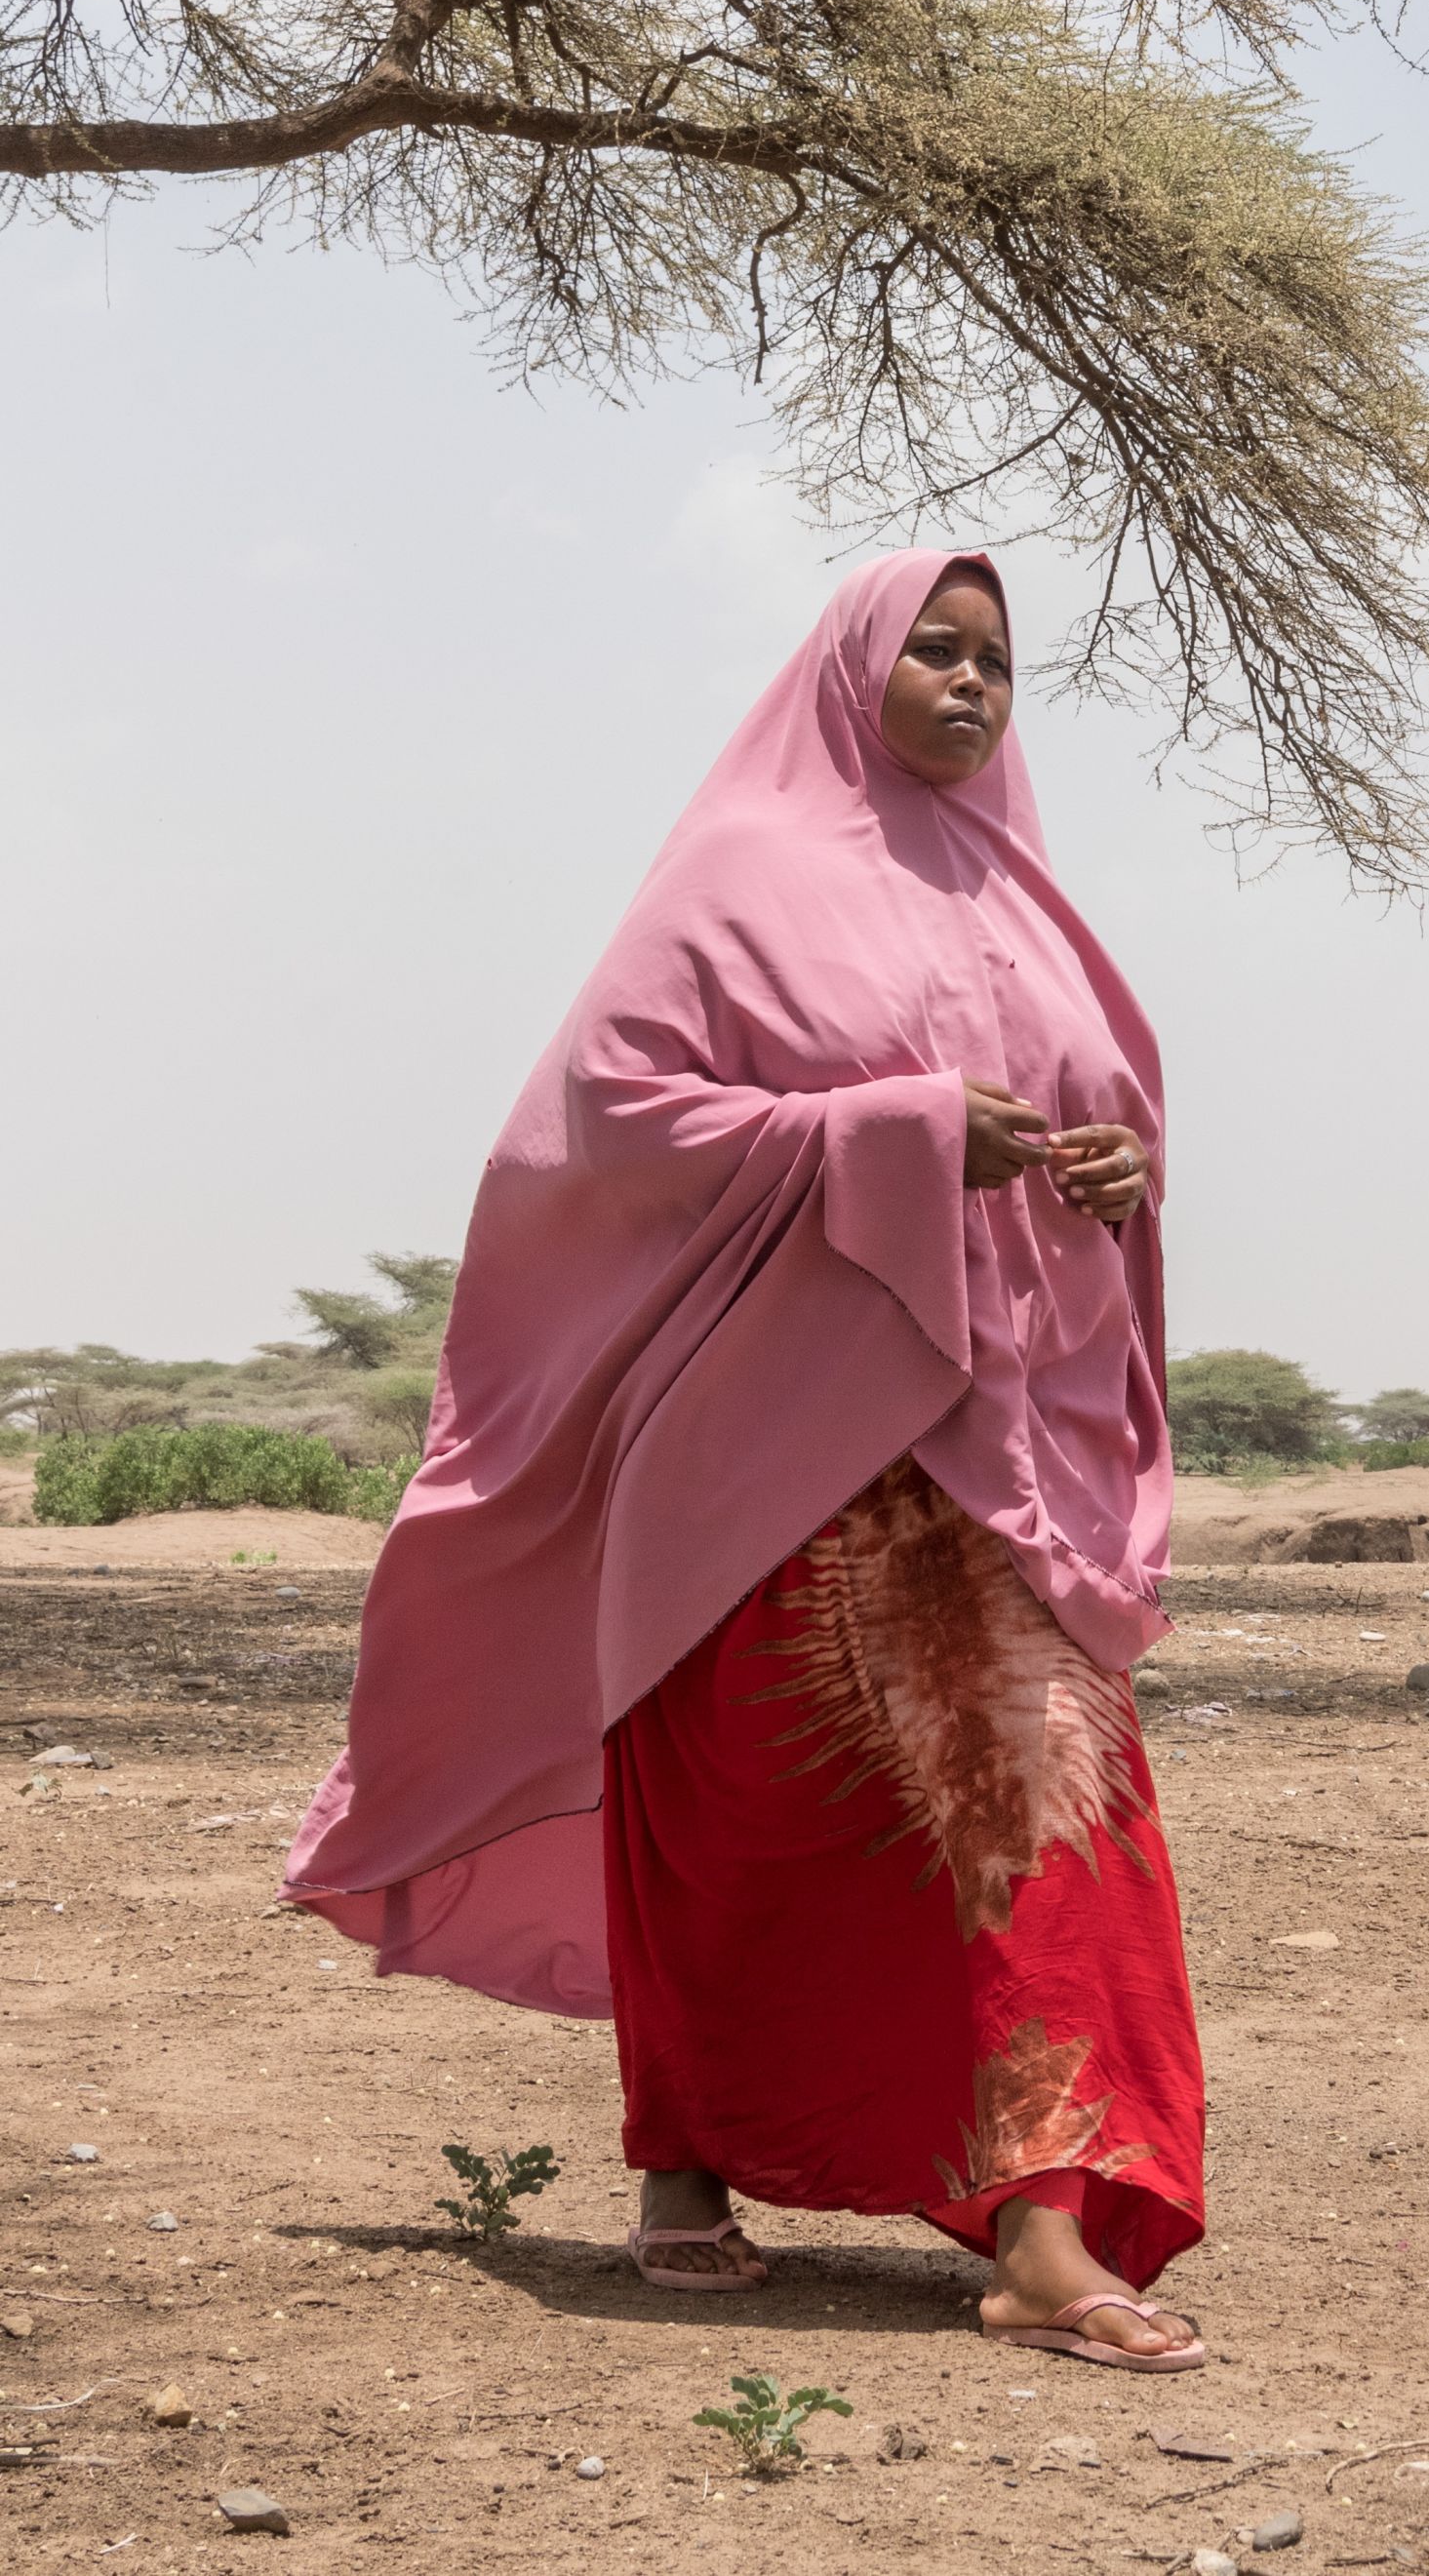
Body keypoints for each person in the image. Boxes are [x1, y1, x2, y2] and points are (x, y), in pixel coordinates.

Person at [286, 552, 1210, 2368]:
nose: (966, 684)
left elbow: (1094, 1117)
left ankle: (1040, 2216)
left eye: (996, 662)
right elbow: (608, 1127)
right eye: (931, 652)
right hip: (766, 1462)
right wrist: (899, 1130)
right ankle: (696, 2162)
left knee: (1043, 1808)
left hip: (991, 1449)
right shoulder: (738, 881)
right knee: (756, 1820)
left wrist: (1117, 1171)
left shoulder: (1028, 899)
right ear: (851, 667)